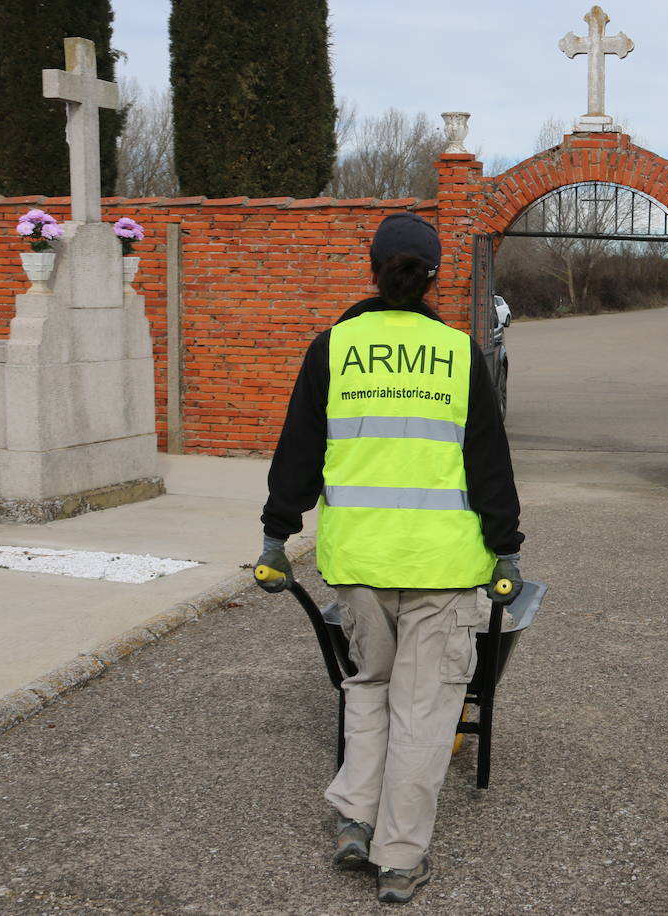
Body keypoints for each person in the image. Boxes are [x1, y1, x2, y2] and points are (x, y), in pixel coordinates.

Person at [255, 211, 524, 904]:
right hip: (442, 565)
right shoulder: (460, 354)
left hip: (360, 561)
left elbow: (299, 453)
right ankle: (399, 857)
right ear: (435, 277)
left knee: (368, 686)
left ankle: (354, 816)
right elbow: (488, 463)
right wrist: (507, 550)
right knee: (425, 708)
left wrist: (275, 538)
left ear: (372, 268)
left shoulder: (333, 348)